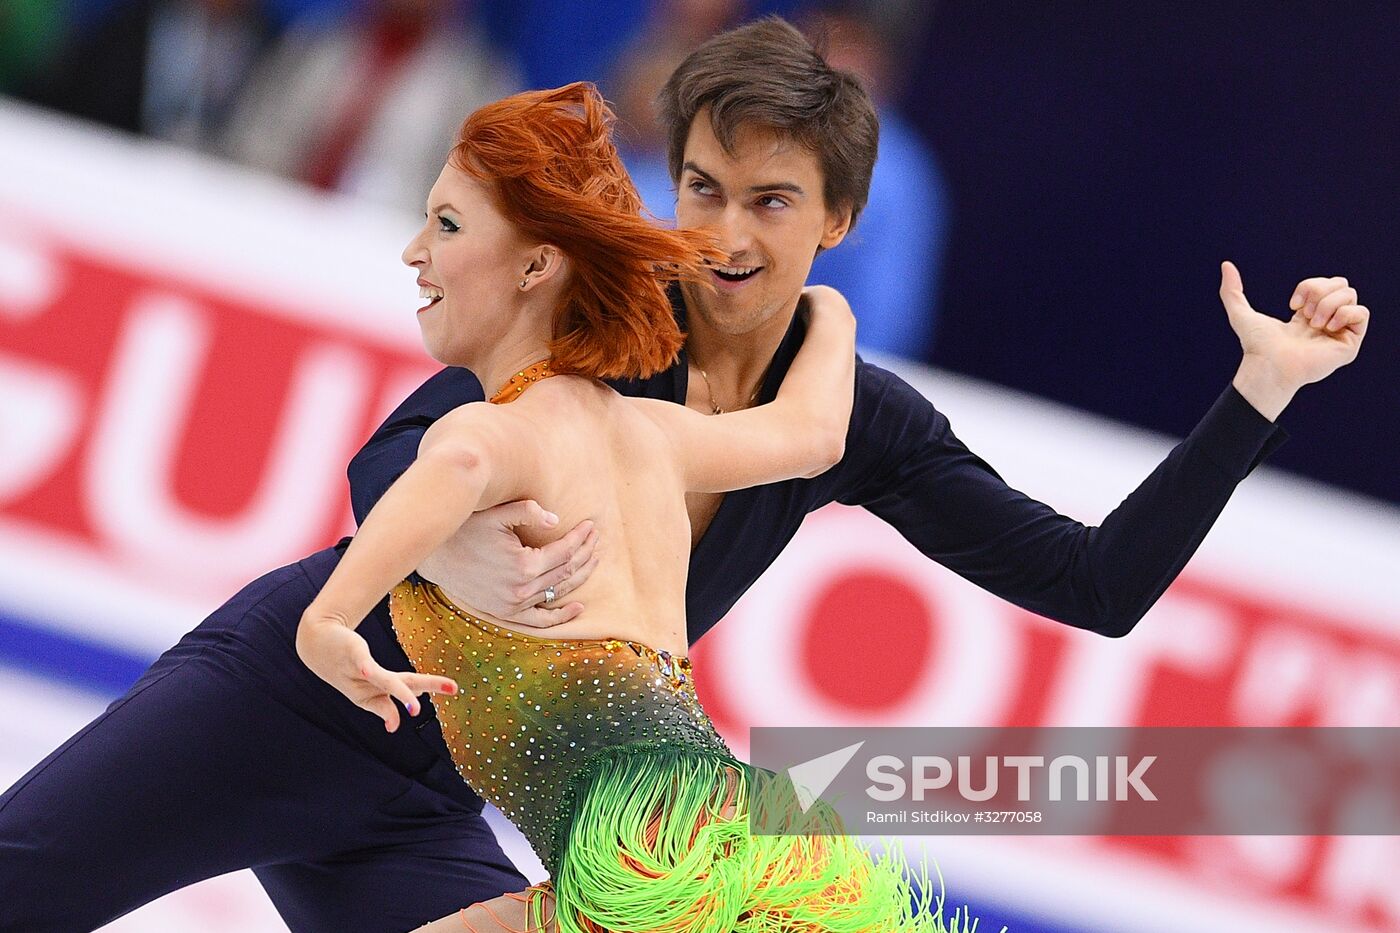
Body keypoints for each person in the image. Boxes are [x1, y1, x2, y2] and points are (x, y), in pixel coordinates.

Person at [0, 14, 1367, 933]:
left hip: (436, 782)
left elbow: (1097, 583)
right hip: (288, 703)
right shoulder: (606, 321)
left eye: (768, 201)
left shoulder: (859, 418)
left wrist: (1257, 397)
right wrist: (448, 541)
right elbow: (404, 444)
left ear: (838, 220)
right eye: (701, 186)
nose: (719, 230)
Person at [296, 80, 977, 933]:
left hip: (643, 854)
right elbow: (812, 433)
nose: (416, 254)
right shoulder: (656, 433)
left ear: (535, 269)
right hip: (726, 825)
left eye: (447, 226)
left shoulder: (499, 430)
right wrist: (830, 312)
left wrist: (327, 618)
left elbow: (458, 460)